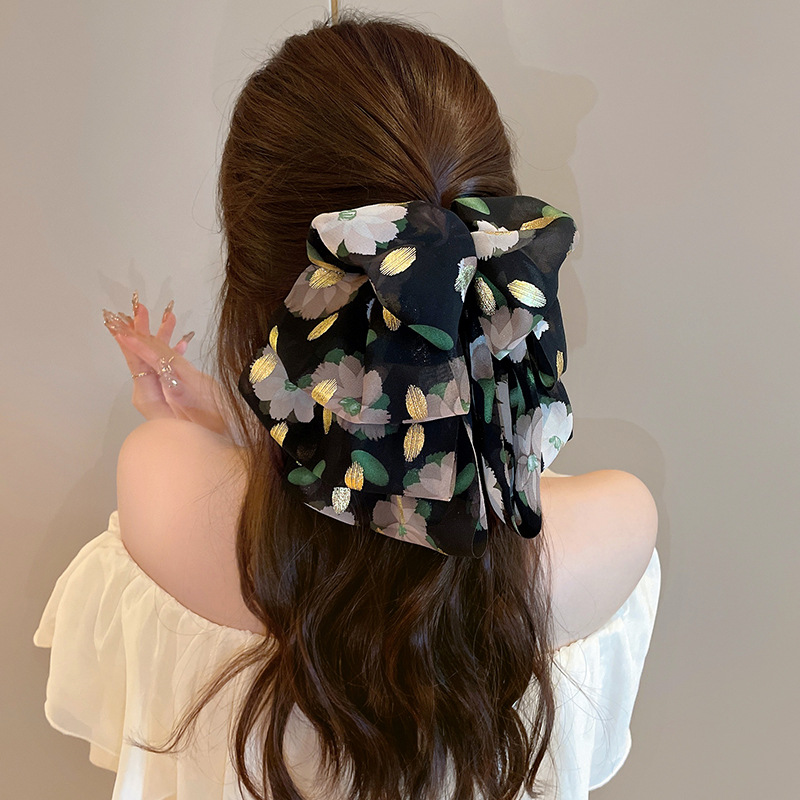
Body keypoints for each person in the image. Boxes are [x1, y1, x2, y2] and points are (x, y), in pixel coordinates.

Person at [33, 10, 660, 800]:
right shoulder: (615, 527)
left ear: (252, 285)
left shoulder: (160, 478)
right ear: (495, 261)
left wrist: (219, 425)